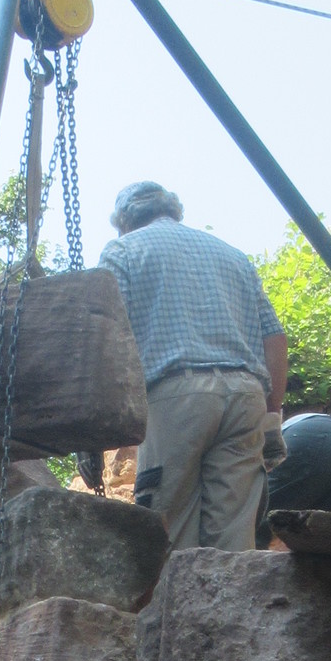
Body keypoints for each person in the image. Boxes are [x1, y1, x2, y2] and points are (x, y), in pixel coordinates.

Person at [98, 180, 289, 551]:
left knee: (170, 533)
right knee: (234, 544)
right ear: (175, 211)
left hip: (176, 397)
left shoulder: (123, 250)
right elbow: (275, 337)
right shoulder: (233, 255)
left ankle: (177, 592)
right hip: (245, 395)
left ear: (123, 222)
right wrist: (271, 414)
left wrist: (95, 432)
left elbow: (106, 335)